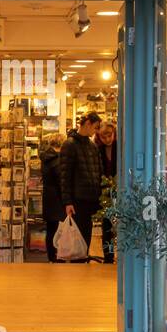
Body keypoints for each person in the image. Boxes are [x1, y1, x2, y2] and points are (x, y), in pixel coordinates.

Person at [59, 112, 103, 262]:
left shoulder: (92, 146)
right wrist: (67, 201)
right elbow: (65, 176)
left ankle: (83, 261)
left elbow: (99, 172)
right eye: (95, 127)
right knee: (77, 235)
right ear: (88, 123)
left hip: (91, 199)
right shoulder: (69, 144)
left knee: (86, 232)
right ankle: (78, 263)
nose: (96, 132)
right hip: (77, 199)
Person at [38, 132, 65, 262]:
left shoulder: (46, 158)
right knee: (58, 230)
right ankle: (56, 256)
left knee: (51, 229)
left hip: (48, 198)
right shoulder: (56, 160)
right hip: (57, 200)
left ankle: (51, 256)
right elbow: (61, 181)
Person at [96, 121, 118, 263]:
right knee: (107, 228)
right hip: (104, 192)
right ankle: (108, 256)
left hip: (120, 188)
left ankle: (121, 256)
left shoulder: (121, 146)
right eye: (104, 137)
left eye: (109, 135)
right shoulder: (98, 149)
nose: (107, 139)